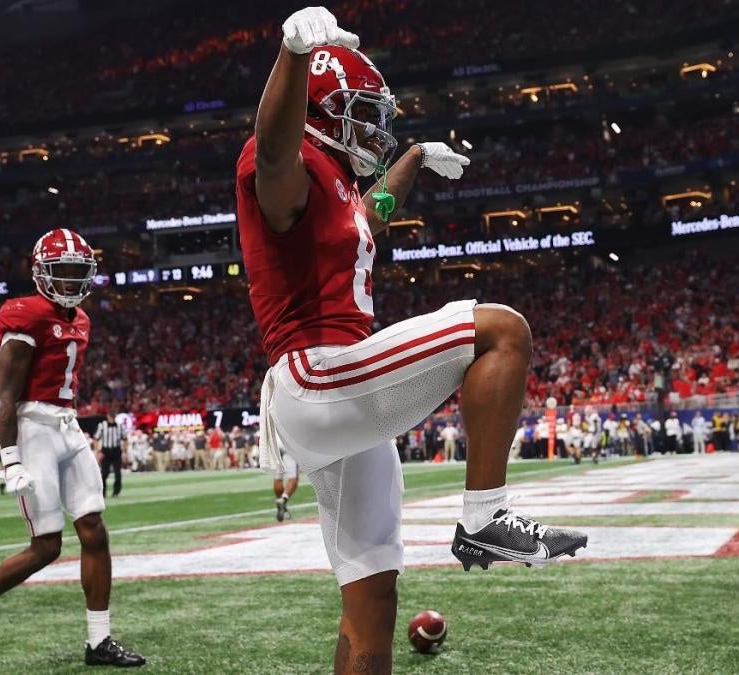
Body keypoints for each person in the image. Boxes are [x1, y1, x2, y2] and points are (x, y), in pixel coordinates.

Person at [237, 8, 587, 672]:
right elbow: (273, 145)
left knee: (371, 606)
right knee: (502, 331)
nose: (371, 124)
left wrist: (415, 158)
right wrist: (289, 54)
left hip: (339, 399)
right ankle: (486, 518)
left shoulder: (339, 186)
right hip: (318, 373)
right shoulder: (287, 160)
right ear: (315, 108)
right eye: (357, 110)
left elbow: (373, 217)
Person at [0, 229, 144, 667]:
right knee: (48, 546)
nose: (73, 282)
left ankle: (99, 641)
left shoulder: (81, 319)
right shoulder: (25, 314)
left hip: (68, 424)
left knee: (94, 529)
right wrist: (11, 457)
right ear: (40, 273)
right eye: (64, 272)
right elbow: (5, 396)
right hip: (33, 426)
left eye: (80, 273)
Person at [93, 411, 127, 498]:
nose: (111, 418)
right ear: (107, 416)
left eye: (113, 416)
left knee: (118, 474)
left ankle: (116, 492)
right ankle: (103, 492)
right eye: (110, 416)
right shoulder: (102, 425)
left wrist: (125, 451)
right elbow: (95, 439)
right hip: (106, 451)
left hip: (116, 451)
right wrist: (98, 452)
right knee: (104, 473)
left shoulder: (120, 426)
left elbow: (125, 439)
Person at [273, 441, 300, 521]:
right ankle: (283, 499)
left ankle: (283, 508)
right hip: (286, 441)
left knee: (278, 477)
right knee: (293, 477)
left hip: (275, 441)